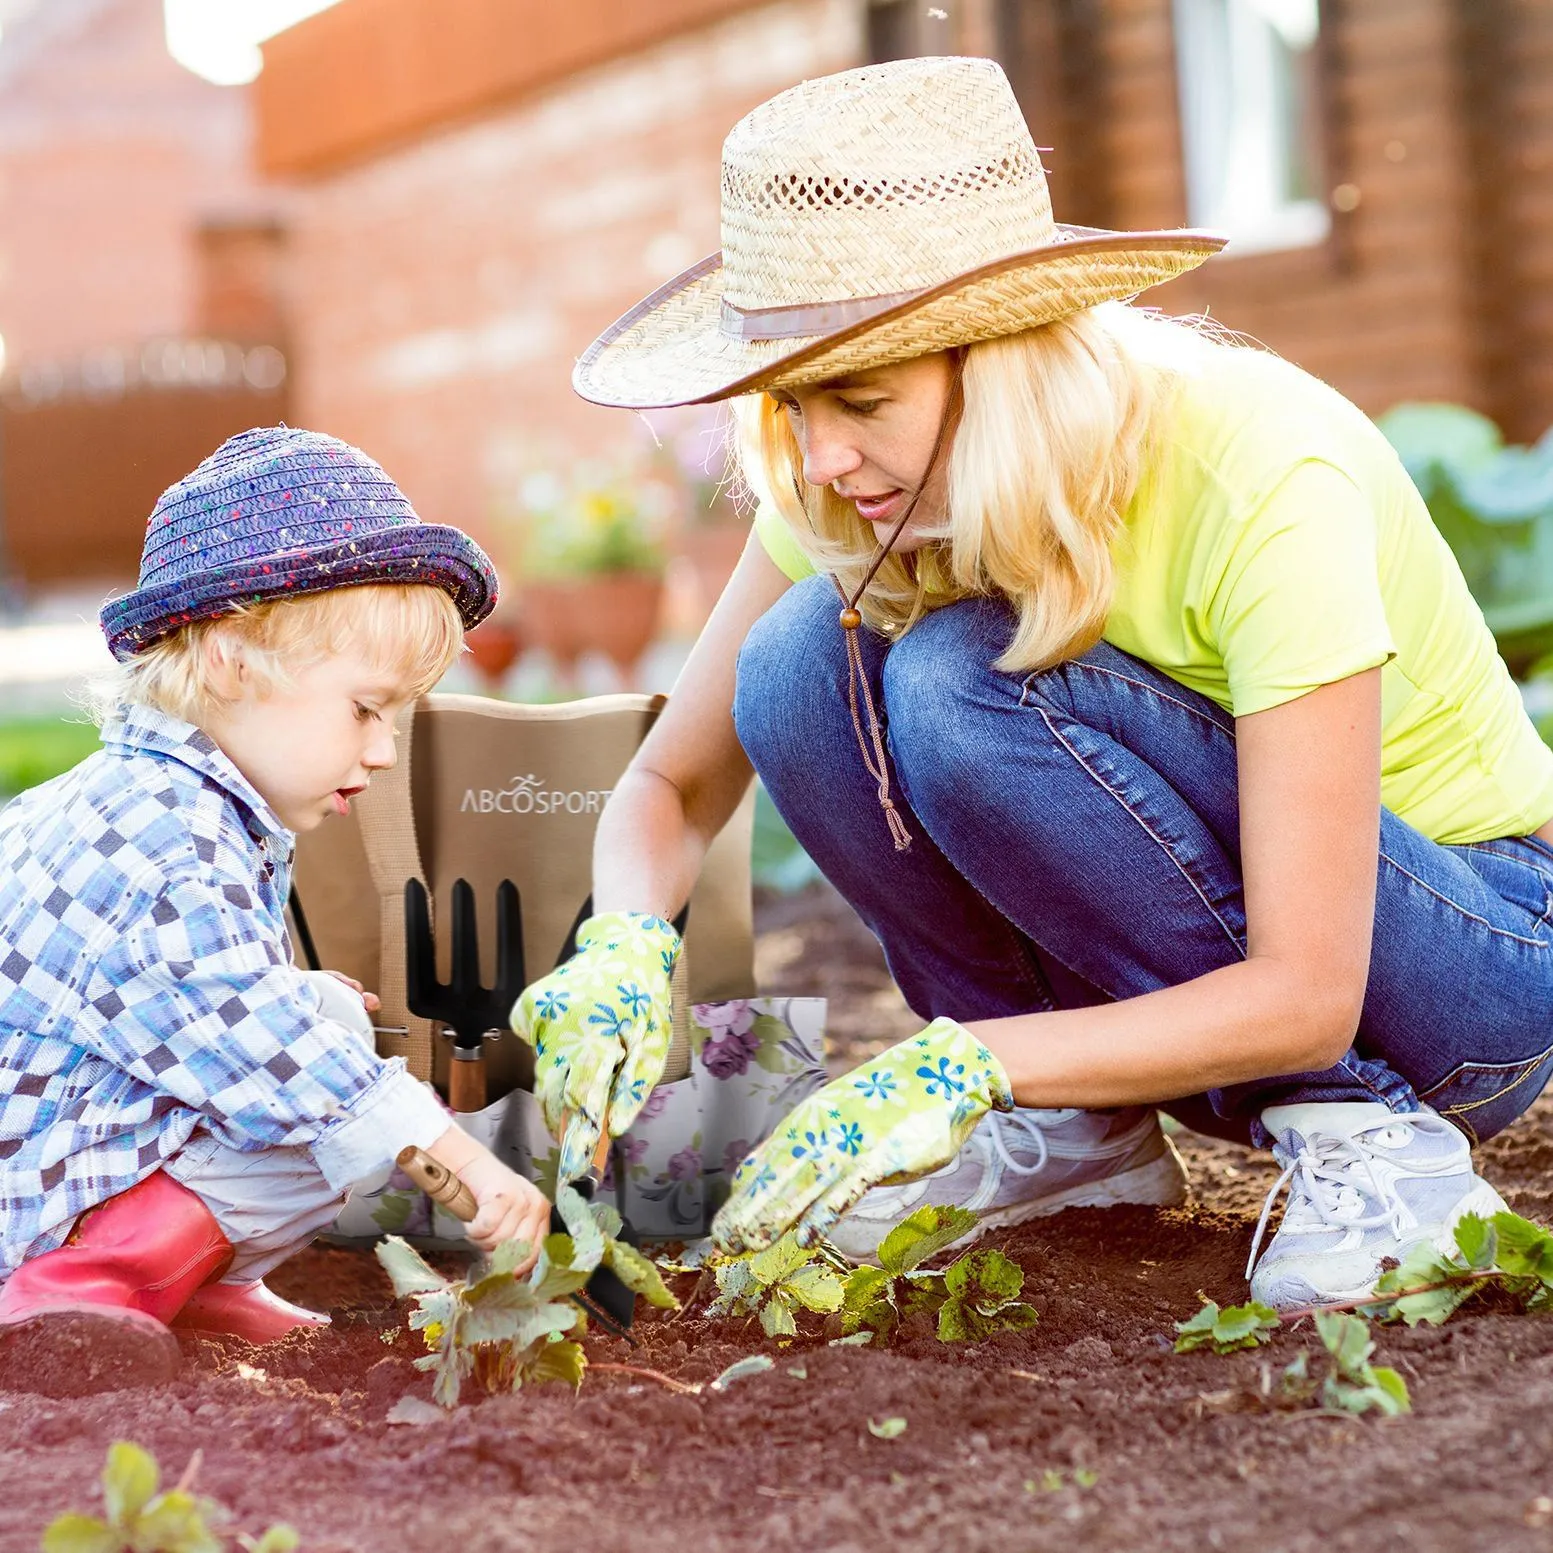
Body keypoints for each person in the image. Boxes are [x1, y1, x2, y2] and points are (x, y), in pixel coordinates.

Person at [512, 56, 1553, 1311]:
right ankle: (1077, 1139)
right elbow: (670, 787)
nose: (821, 452)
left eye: (861, 398)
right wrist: (622, 941)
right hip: (1184, 1002)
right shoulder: (850, 485)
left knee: (960, 675)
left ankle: (1375, 1150)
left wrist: (956, 1065)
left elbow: (1306, 989)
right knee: (795, 660)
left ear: (998, 361)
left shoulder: (1259, 469)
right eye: (791, 403)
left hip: (1459, 973)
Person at [0, 427, 550, 1386]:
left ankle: (190, 1283)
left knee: (320, 1023)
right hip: (27, 1193)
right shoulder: (168, 841)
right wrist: (459, 1157)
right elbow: (279, 1061)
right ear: (230, 662)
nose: (381, 752)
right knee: (327, 1106)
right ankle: (79, 1288)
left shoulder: (161, 798)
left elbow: (186, 1000)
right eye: (365, 709)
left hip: (42, 1144)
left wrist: (298, 1005)